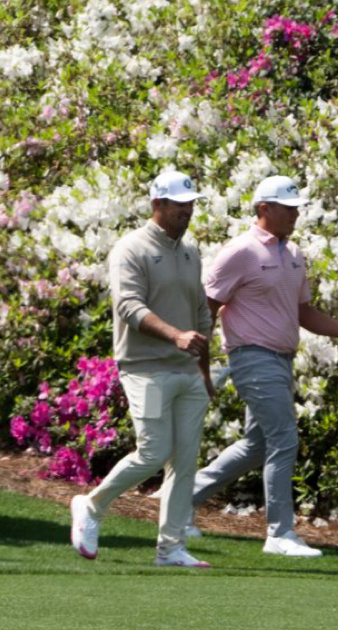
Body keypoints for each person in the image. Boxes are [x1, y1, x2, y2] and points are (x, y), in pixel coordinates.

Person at [190, 175, 338, 557]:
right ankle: (279, 534)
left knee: (257, 446)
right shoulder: (239, 251)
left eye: (297, 208)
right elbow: (207, 308)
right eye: (289, 208)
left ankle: (180, 501)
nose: (295, 214)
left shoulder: (293, 254)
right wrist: (202, 366)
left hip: (281, 360)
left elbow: (303, 311)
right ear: (265, 209)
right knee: (284, 439)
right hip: (252, 357)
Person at [70, 171, 214, 568]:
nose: (187, 210)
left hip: (187, 371)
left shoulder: (190, 251)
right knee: (152, 451)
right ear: (158, 204)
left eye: (191, 203)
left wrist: (203, 367)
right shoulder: (130, 248)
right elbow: (129, 307)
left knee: (185, 461)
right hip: (144, 367)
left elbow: (201, 314)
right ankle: (91, 506)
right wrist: (176, 337)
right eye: (179, 204)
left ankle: (170, 548)